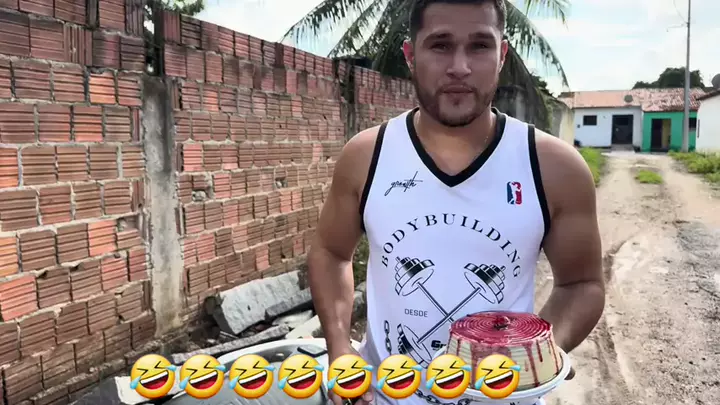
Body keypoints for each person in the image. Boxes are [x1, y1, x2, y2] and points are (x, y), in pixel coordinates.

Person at [306, 0, 605, 404]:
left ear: (501, 55)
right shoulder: (366, 157)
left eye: (479, 46)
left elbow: (581, 285)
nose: (460, 67)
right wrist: (340, 349)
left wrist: (537, 353)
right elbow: (330, 253)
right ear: (410, 55)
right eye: (440, 45)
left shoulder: (554, 167)